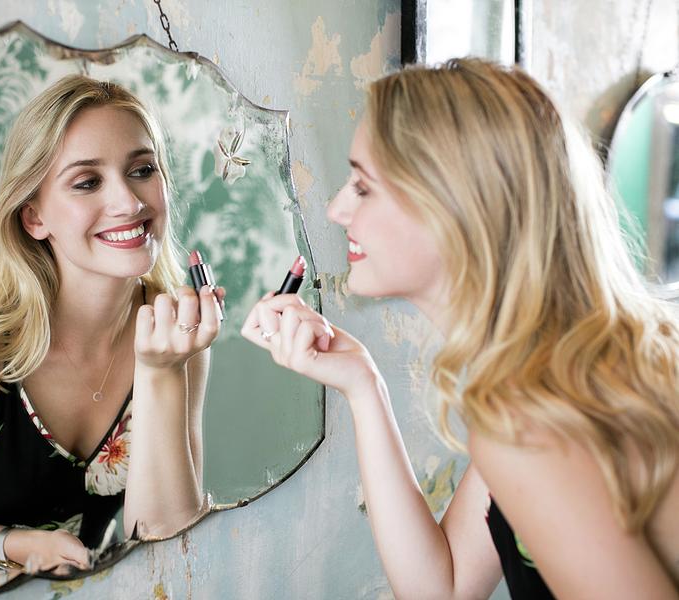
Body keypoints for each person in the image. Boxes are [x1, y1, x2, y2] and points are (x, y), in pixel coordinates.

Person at [242, 58, 679, 599]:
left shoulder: (535, 423)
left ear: (452, 206)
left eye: (362, 186)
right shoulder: (554, 379)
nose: (335, 209)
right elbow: (443, 589)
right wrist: (362, 383)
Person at [0, 75, 224, 589]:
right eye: (87, 182)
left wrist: (161, 371)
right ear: (34, 216)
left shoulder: (173, 337)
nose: (129, 202)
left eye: (142, 170)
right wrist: (16, 545)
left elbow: (168, 537)